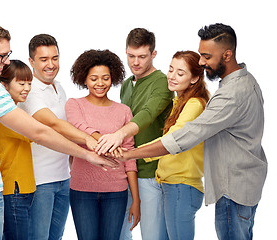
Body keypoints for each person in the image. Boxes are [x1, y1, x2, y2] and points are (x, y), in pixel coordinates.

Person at [0, 21, 118, 240]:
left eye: (8, 54)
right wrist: (86, 153)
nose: (6, 61)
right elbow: (39, 132)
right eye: (1, 55)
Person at [113, 23, 268, 240]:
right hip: (240, 183)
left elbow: (181, 138)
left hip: (231, 187)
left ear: (227, 55)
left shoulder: (229, 94)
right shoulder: (241, 83)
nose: (202, 62)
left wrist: (129, 153)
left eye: (206, 56)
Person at [95, 28, 174, 240]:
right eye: (131, 56)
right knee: (120, 234)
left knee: (152, 236)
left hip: (151, 173)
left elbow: (147, 115)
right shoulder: (127, 85)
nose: (135, 62)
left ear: (154, 54)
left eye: (142, 56)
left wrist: (118, 135)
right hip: (125, 172)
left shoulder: (163, 83)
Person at [18, 34, 99, 240]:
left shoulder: (59, 87)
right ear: (31, 62)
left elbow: (69, 126)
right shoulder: (29, 90)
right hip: (39, 182)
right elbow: (53, 124)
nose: (50, 64)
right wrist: (89, 139)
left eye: (55, 58)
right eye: (44, 59)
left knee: (56, 237)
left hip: (63, 179)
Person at [65, 49, 140, 240]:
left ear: (113, 78)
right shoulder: (74, 104)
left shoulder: (123, 111)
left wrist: (136, 199)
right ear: (84, 79)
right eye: (94, 78)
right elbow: (81, 128)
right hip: (82, 190)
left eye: (105, 78)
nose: (100, 83)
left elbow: (130, 155)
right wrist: (108, 142)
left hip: (116, 191)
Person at [139, 50, 210, 239]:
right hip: (170, 185)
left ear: (195, 78)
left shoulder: (194, 104)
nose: (171, 76)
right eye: (170, 70)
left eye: (180, 73)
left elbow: (173, 138)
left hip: (182, 187)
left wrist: (134, 153)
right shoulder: (179, 102)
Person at [0, 60, 34, 240]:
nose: (27, 88)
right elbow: (38, 133)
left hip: (23, 188)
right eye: (21, 83)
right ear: (4, 85)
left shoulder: (14, 112)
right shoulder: (7, 116)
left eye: (29, 83)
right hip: (13, 190)